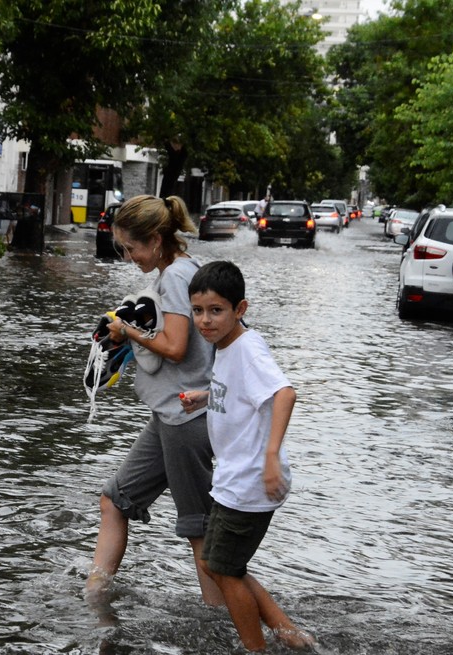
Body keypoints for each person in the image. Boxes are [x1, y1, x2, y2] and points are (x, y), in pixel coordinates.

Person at [85, 194, 224, 610]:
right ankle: (94, 599)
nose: (128, 257)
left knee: (199, 530)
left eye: (132, 248)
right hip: (169, 415)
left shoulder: (178, 277)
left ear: (157, 240)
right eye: (122, 249)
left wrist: (128, 332)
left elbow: (177, 347)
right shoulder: (179, 272)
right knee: (115, 500)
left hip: (187, 418)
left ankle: (224, 624)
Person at [180, 260, 313, 651]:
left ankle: (256, 649)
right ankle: (286, 631)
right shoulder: (227, 345)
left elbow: (284, 394)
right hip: (235, 478)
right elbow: (245, 390)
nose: (205, 321)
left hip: (250, 479)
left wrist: (271, 456)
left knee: (220, 566)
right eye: (198, 311)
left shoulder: (247, 348)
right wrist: (208, 396)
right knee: (222, 563)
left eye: (216, 311)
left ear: (240, 310)